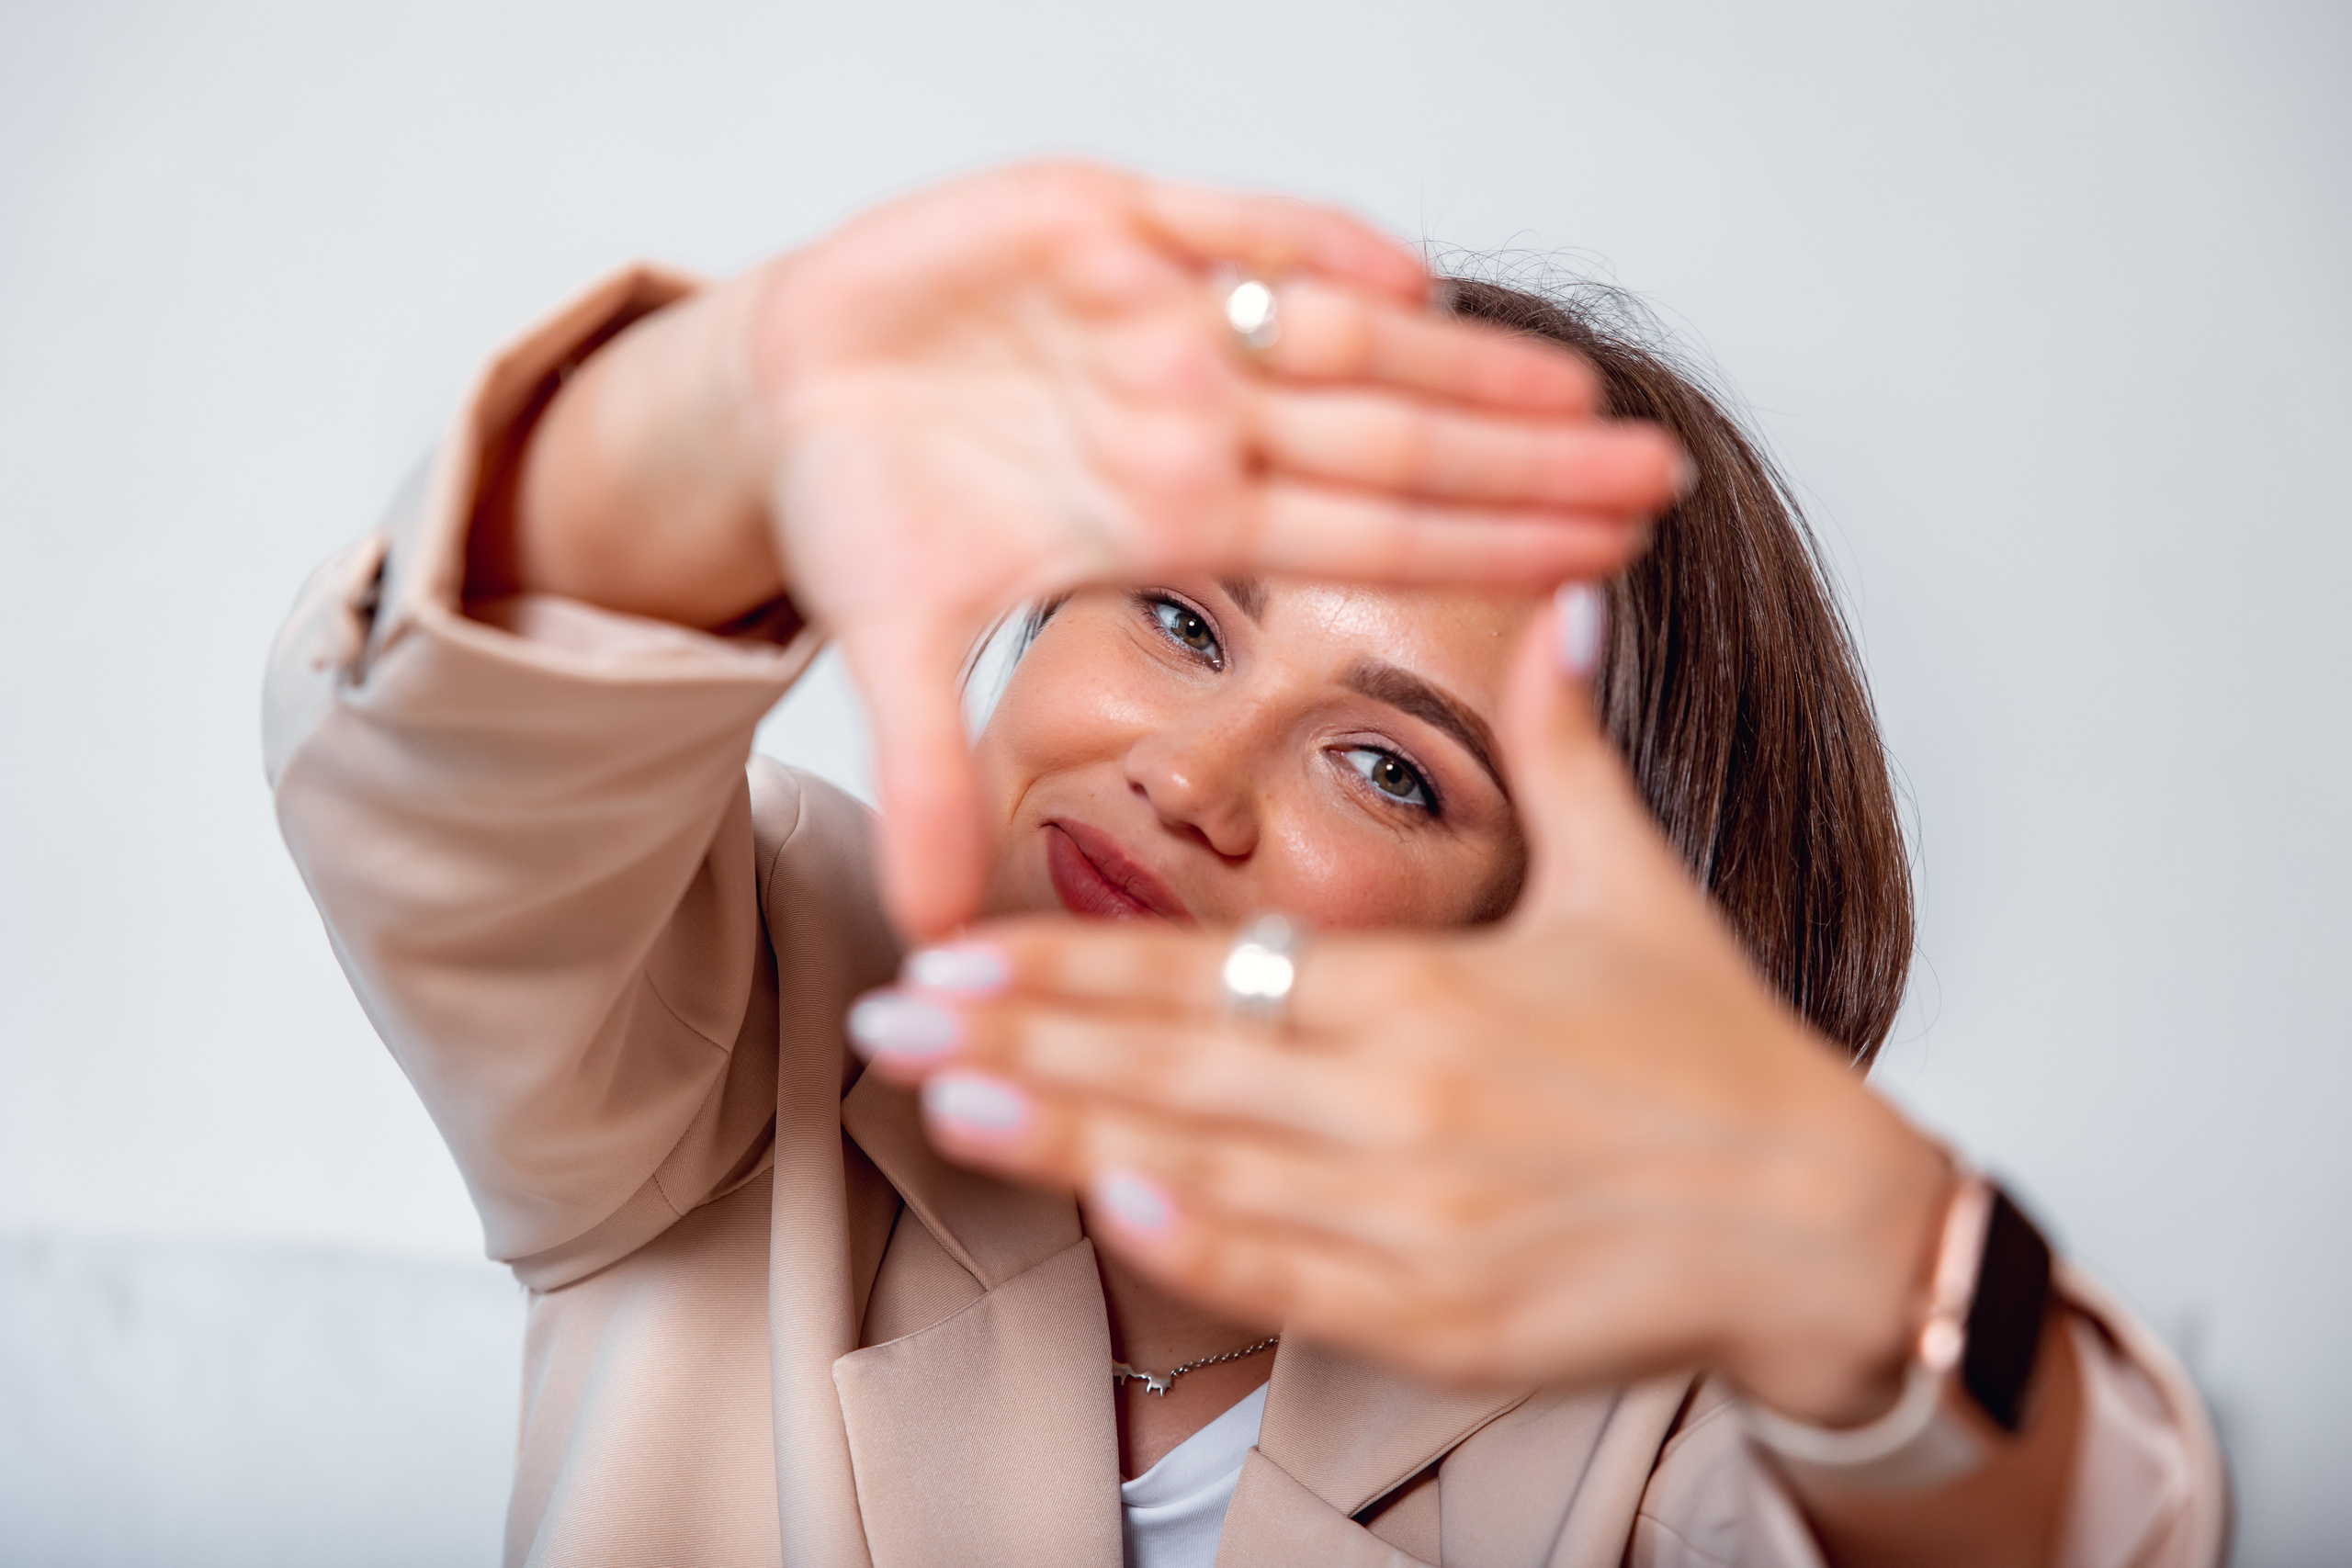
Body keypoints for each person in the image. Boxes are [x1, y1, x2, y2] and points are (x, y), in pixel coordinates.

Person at [265, 164, 2222, 1566]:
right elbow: (454, 784)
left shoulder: (1653, 1386)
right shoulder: (755, 993)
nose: (1191, 777)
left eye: (1385, 767)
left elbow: (2069, 1528)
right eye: (1181, 616)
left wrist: (1853, 1238)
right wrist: (744, 398)